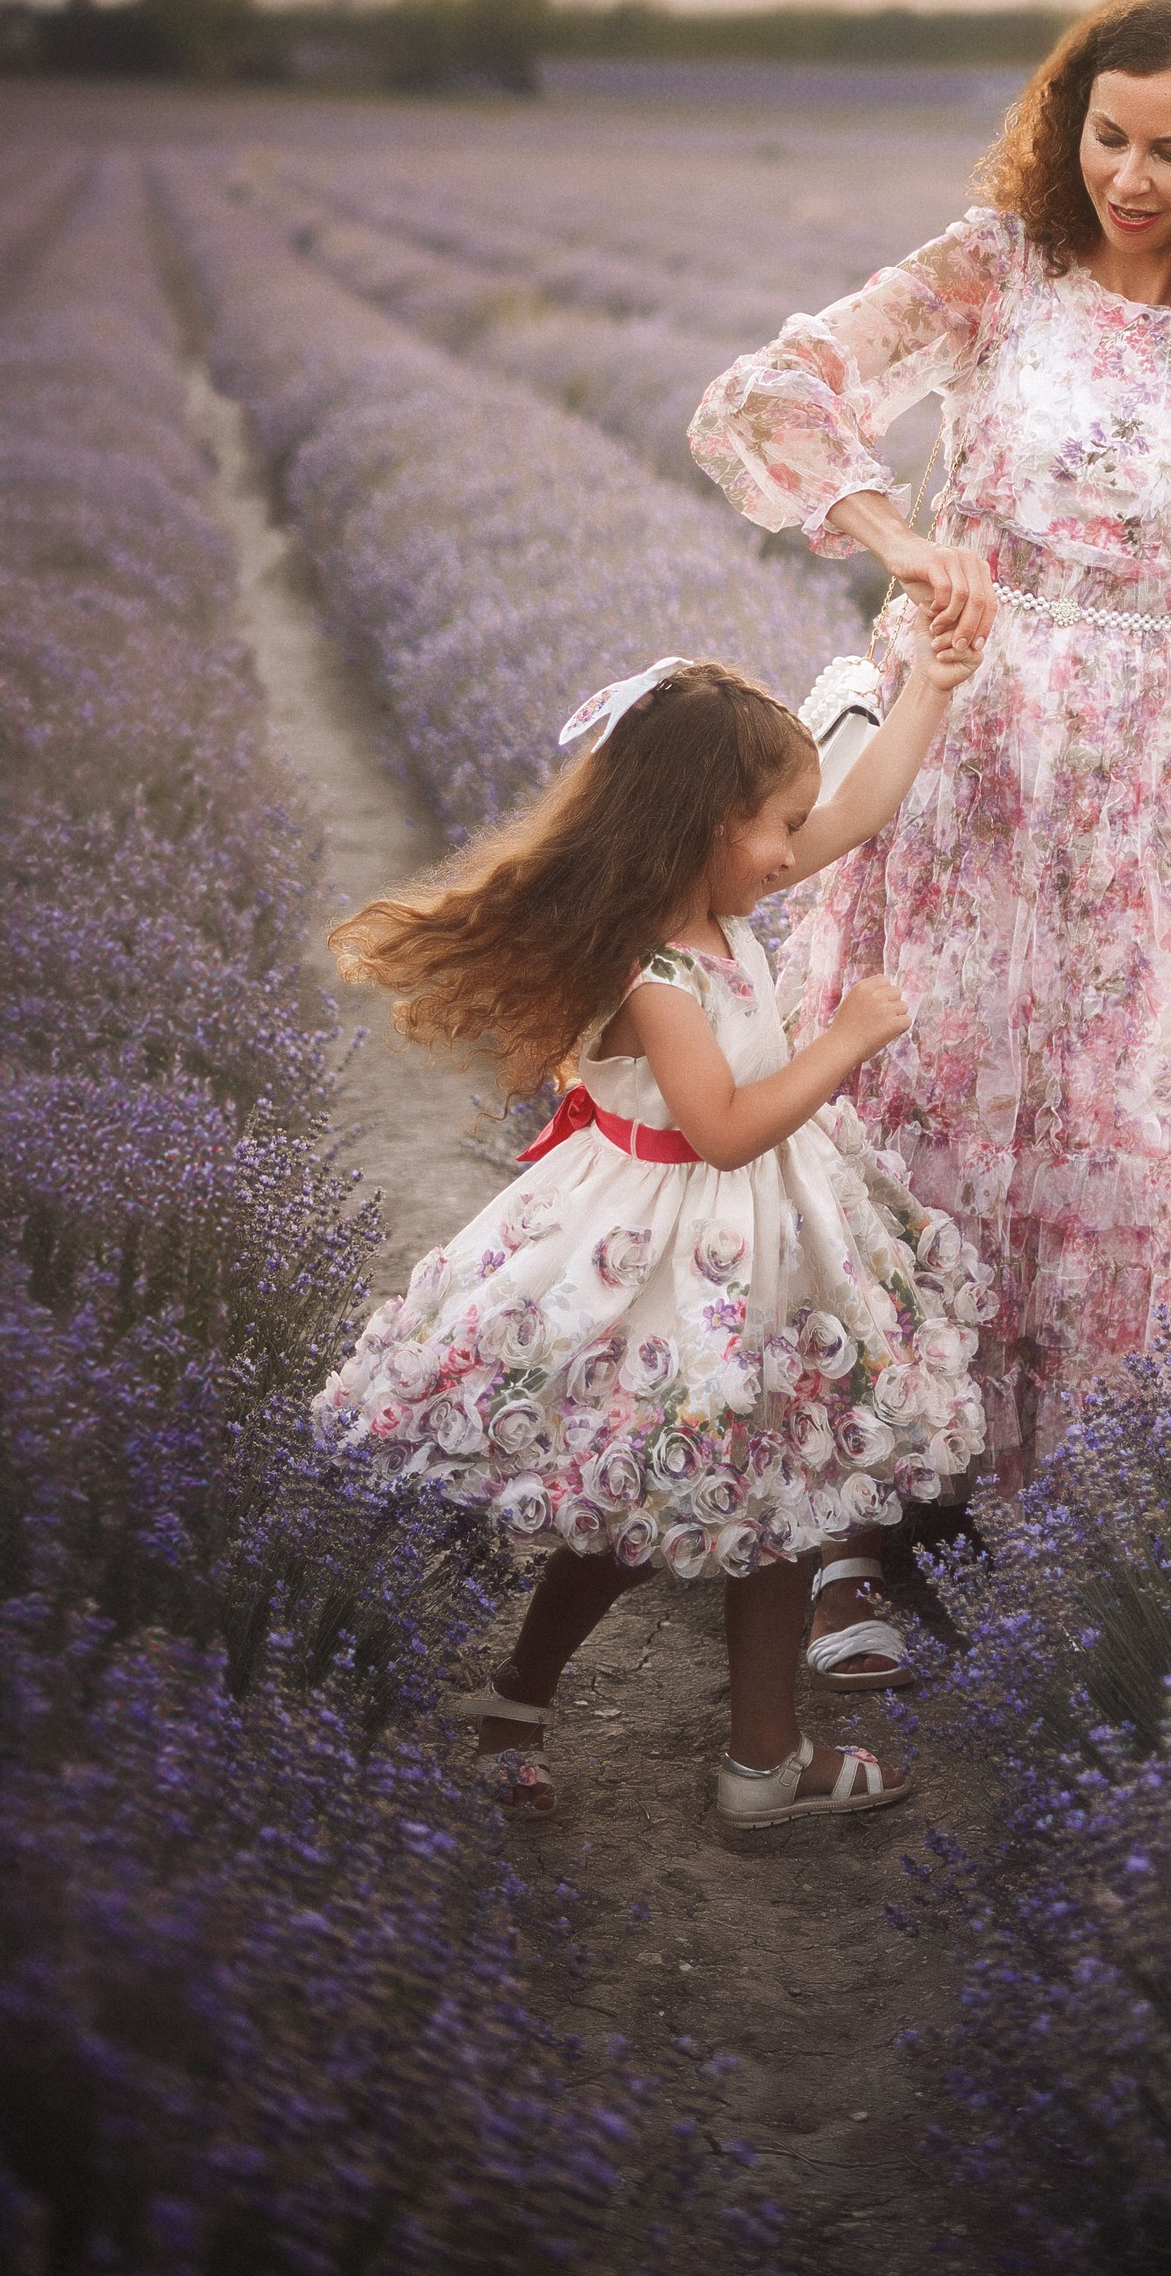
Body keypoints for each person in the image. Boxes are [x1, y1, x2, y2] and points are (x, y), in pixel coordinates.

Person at [690, 0, 1171, 1516]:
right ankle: (858, 1527)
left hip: (1139, 779)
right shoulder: (997, 268)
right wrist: (899, 537)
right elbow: (761, 397)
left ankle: (1070, 1531)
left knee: (1111, 1129)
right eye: (1107, 135)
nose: (1128, 175)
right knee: (915, 1096)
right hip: (960, 737)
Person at [314, 651, 992, 1828]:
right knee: (638, 1504)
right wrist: (849, 1038)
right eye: (777, 828)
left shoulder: (720, 908)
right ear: (704, 828)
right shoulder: (659, 968)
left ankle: (763, 1760)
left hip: (763, 1247)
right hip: (674, 1260)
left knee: (787, 1498)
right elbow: (723, 1132)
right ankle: (520, 1696)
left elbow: (862, 808)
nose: (795, 851)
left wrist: (933, 685)